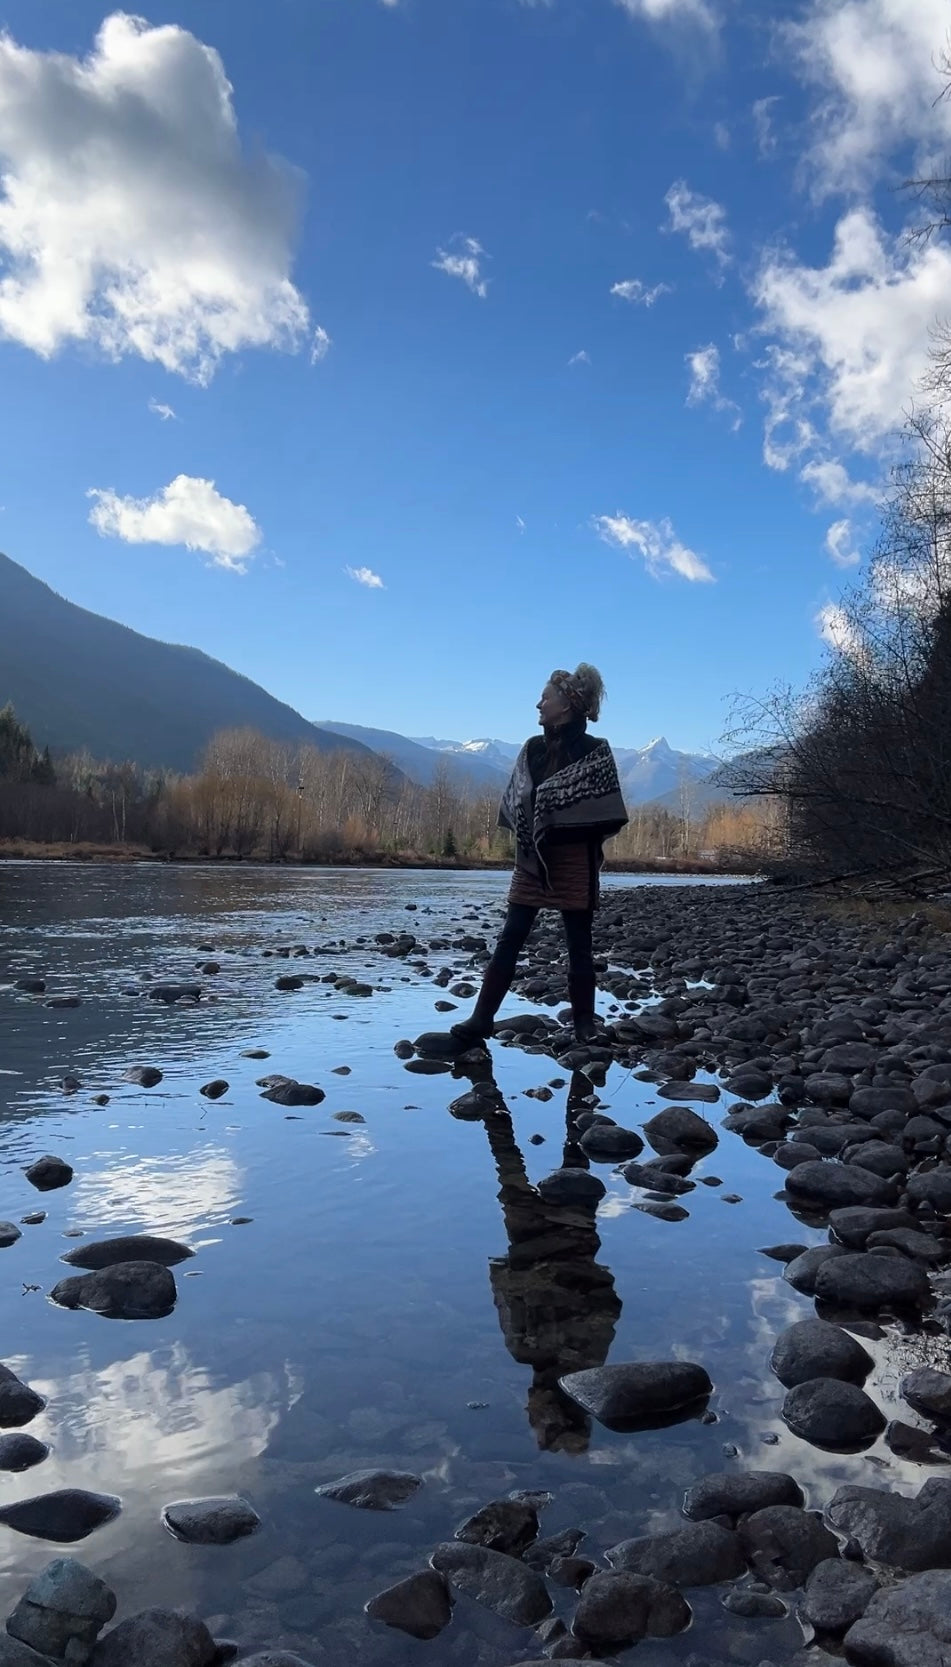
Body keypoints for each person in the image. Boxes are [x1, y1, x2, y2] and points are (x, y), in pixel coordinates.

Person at [453, 663, 628, 1045]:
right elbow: (518, 799)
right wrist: (538, 823)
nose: (538, 704)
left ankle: (584, 1025)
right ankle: (482, 1018)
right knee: (510, 937)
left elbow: (606, 810)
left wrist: (563, 820)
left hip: (574, 859)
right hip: (531, 858)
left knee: (579, 945)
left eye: (545, 698)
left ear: (566, 705)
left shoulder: (596, 753)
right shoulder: (531, 749)